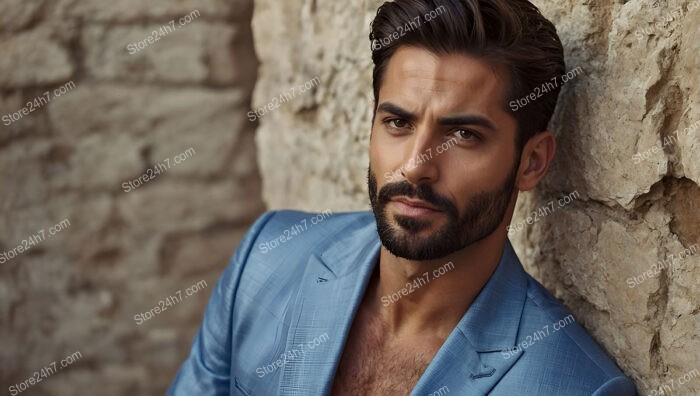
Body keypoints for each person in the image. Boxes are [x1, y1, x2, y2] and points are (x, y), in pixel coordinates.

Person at [168, 0, 637, 394]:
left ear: (532, 162)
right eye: (398, 123)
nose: (416, 166)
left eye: (465, 135)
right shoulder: (266, 259)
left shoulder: (574, 387)